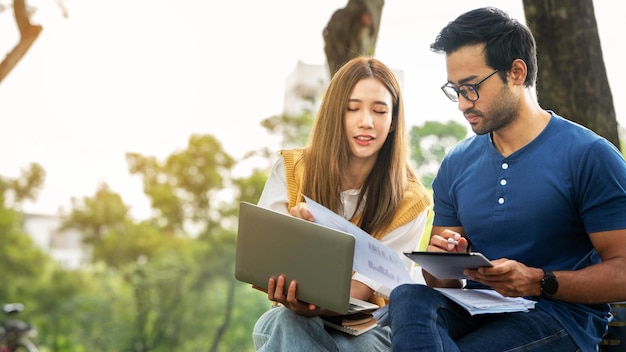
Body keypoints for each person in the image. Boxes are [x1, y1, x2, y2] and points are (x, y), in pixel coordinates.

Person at [388, 6, 626, 352]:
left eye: (471, 88)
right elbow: (442, 281)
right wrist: (444, 262)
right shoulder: (456, 163)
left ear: (516, 72)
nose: (461, 104)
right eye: (455, 90)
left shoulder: (589, 155)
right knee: (408, 295)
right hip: (479, 308)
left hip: (558, 317)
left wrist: (537, 281)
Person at [251, 56, 431, 351]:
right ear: (335, 113)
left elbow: (361, 290)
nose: (366, 122)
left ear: (393, 120)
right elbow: (265, 262)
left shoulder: (410, 201)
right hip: (291, 315)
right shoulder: (292, 170)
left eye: (380, 110)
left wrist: (314, 302)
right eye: (353, 108)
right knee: (285, 323)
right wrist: (296, 242)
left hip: (368, 327)